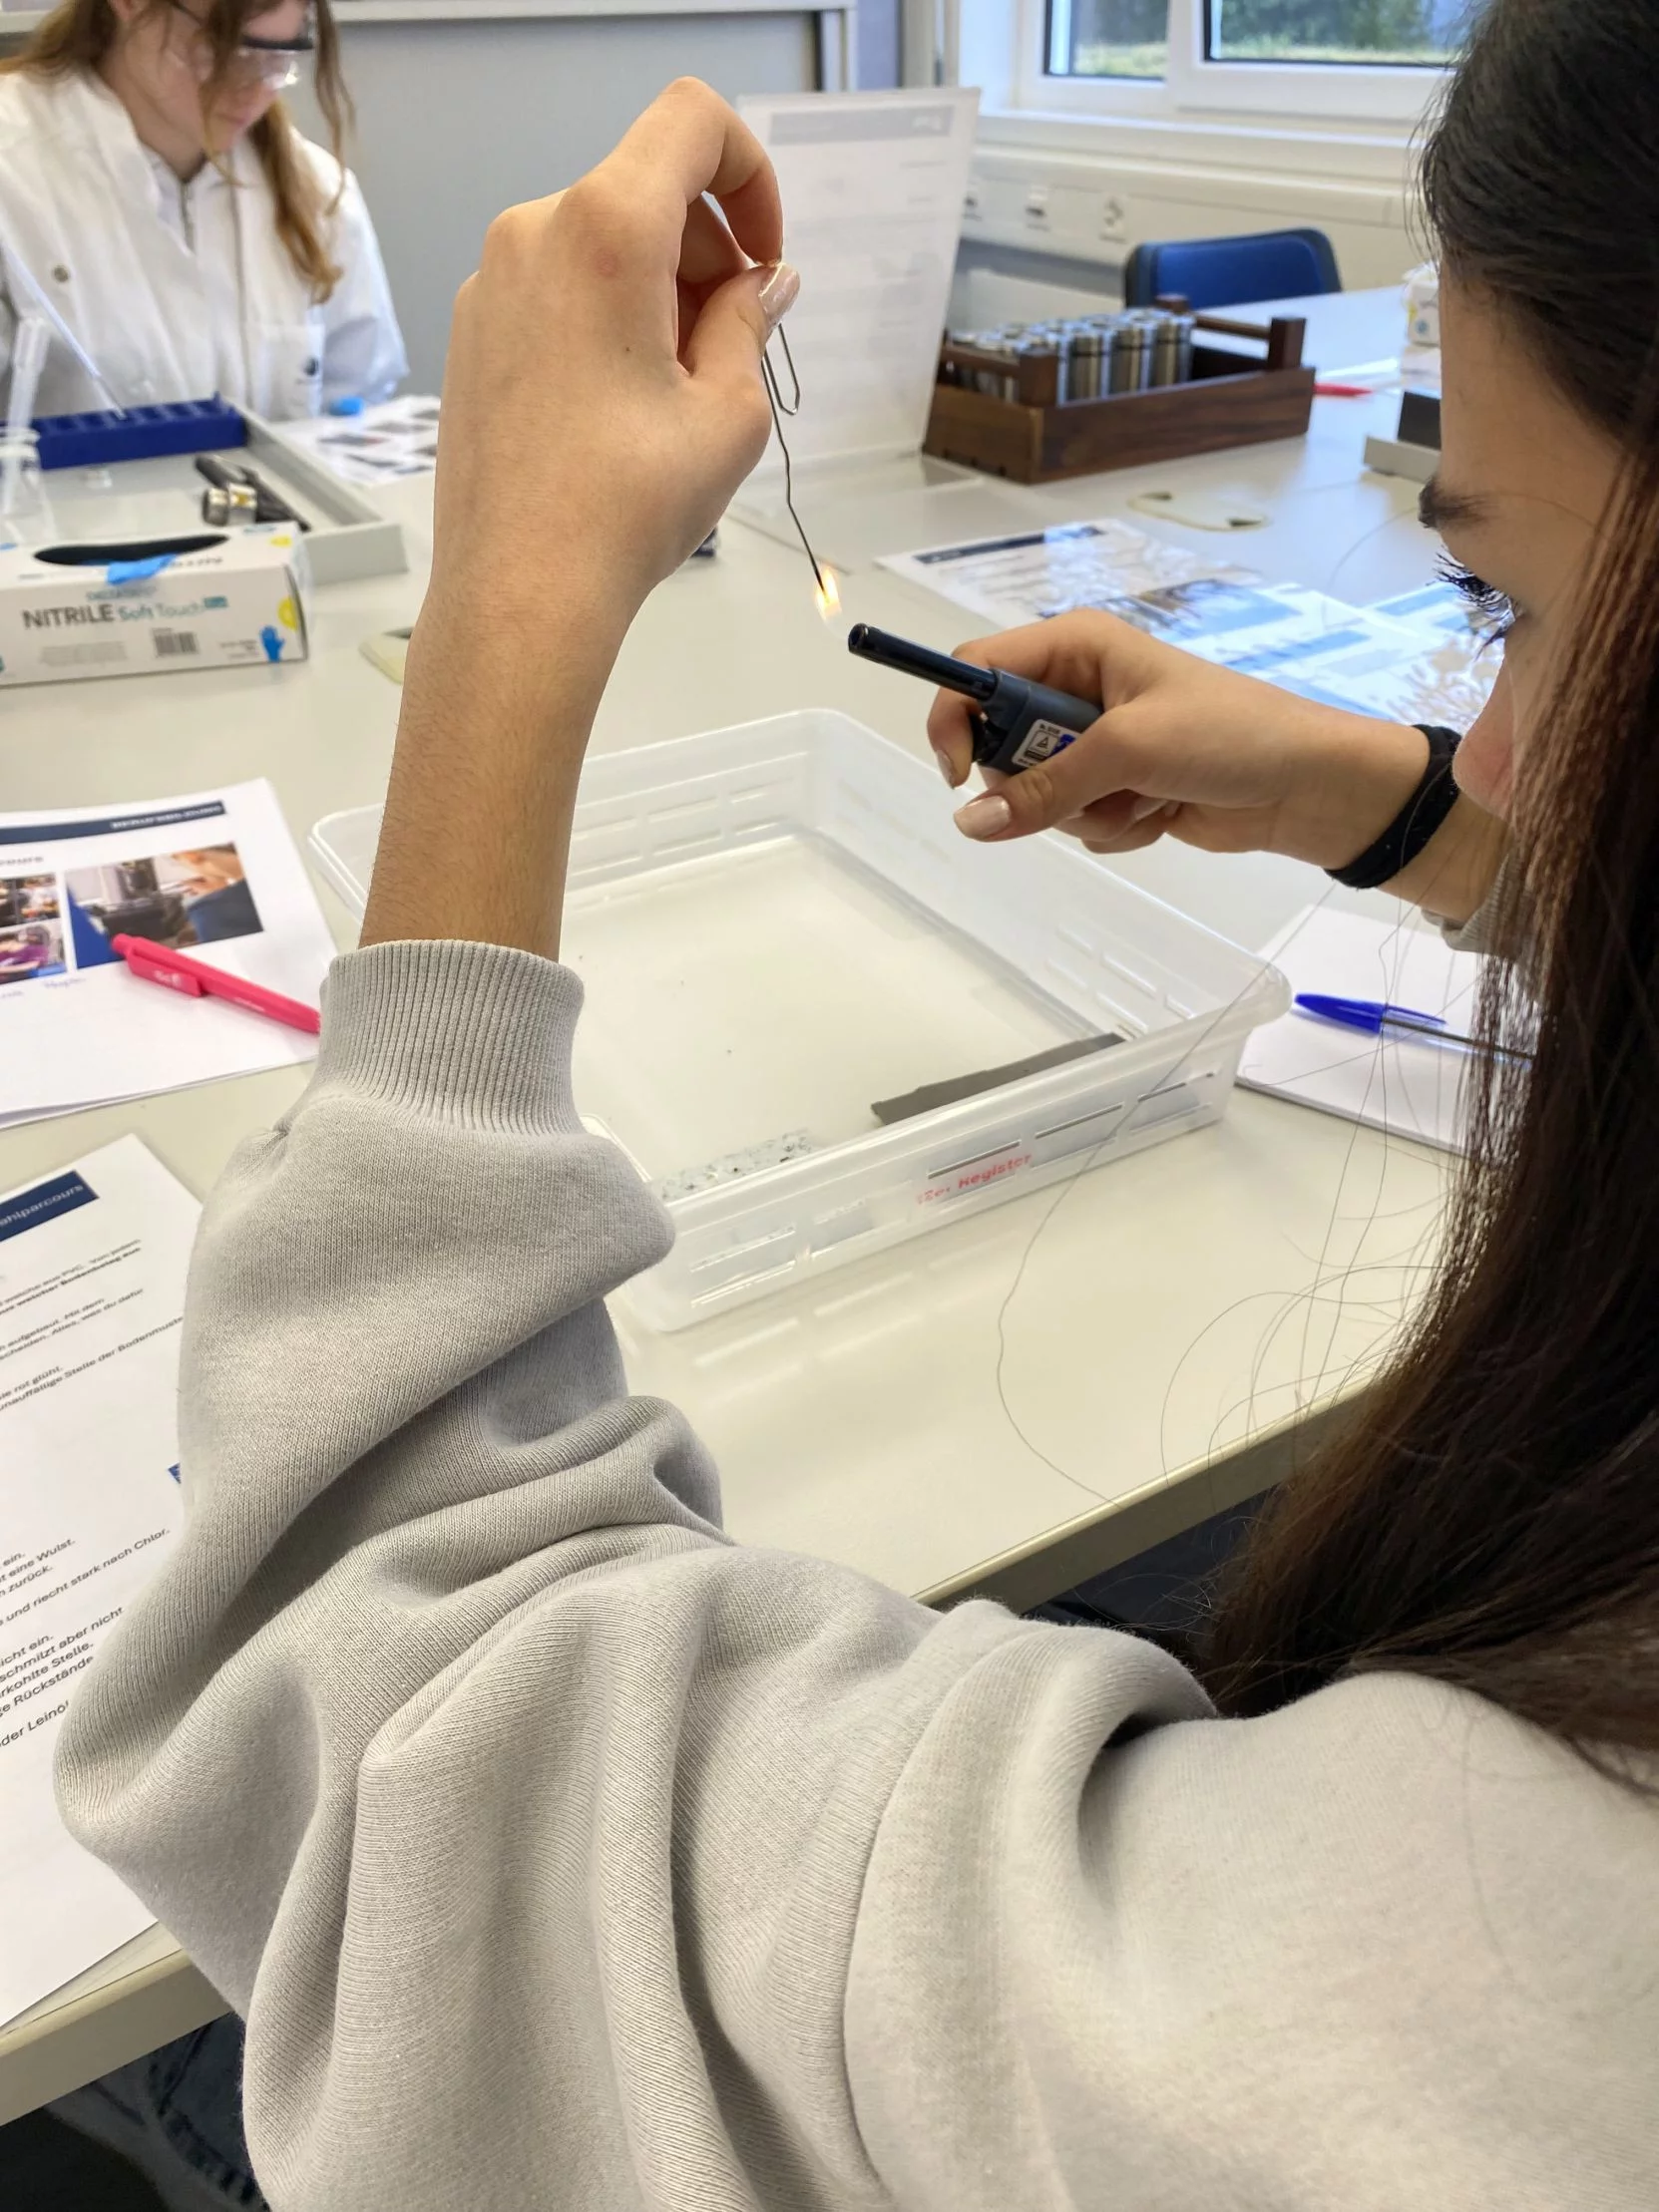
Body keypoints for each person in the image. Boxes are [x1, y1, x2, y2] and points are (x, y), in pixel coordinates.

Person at [54, 9, 1659, 2208]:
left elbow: (409, 1761)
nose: (1488, 739)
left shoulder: (1512, 1940)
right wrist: (1416, 828)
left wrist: (508, 594)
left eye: (1520, 604)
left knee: (170, 2032)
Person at [0, 0, 405, 421]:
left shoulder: (317, 192)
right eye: (220, 50)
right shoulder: (13, 171)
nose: (254, 90)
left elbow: (358, 406)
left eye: (278, 58)